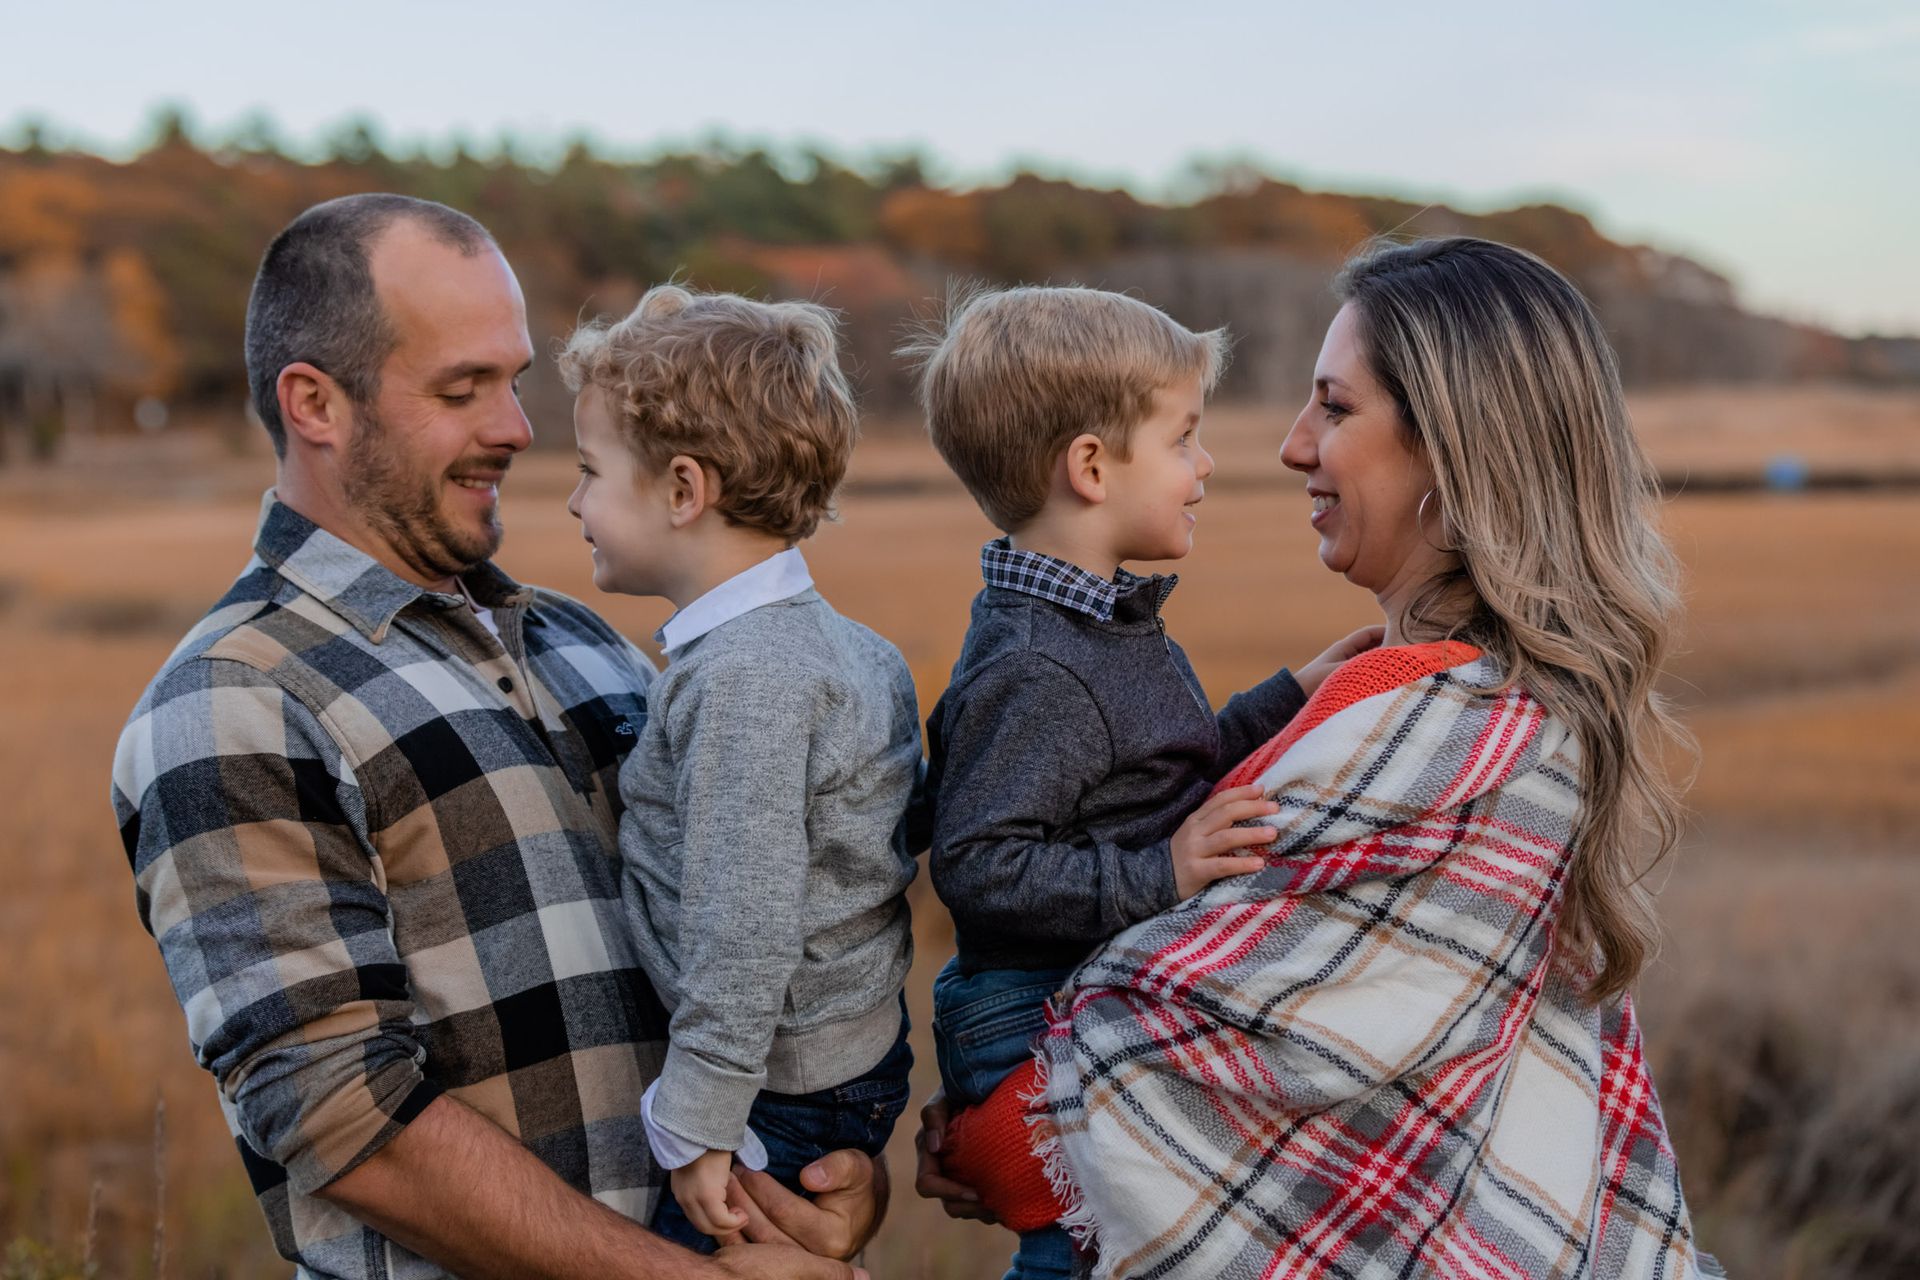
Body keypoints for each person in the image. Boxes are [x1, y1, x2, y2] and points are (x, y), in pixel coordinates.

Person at [110, 193, 881, 1280]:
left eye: (514, 379)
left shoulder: (593, 643)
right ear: (316, 403)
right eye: (462, 388)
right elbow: (339, 1114)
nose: (519, 426)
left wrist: (835, 1173)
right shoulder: (231, 700)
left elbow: (758, 934)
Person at [917, 239, 1720, 1279]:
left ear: (1453, 447)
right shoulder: (1395, 695)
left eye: (1335, 409)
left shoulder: (1467, 736)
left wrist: (995, 1138)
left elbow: (1196, 1086)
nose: (1293, 447)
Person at [899, 285, 1382, 1279]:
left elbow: (1164, 766)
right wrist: (1160, 871)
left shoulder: (1098, 623)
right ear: (1089, 466)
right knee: (1089, 1249)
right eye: (1183, 439)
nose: (1206, 466)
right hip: (1034, 1005)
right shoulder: (1038, 665)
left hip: (1069, 990)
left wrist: (1290, 696)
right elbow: (980, 865)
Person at [557, 286, 920, 1250]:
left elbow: (748, 916)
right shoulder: (851, 648)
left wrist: (697, 1115)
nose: (573, 500)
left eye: (591, 470)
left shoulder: (745, 682)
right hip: (834, 1060)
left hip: (770, 1084)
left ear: (683, 490)